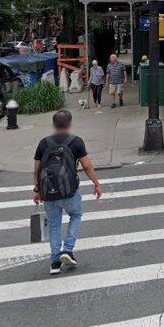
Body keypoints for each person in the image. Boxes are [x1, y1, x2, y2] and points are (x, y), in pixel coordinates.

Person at [33, 110, 103, 275]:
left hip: (48, 192)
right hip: (69, 191)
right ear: (70, 124)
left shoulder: (44, 143)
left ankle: (55, 262)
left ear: (53, 125)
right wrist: (97, 184)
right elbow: (87, 166)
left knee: (54, 224)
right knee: (76, 215)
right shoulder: (76, 142)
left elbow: (37, 169)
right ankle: (68, 250)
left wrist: (37, 189)